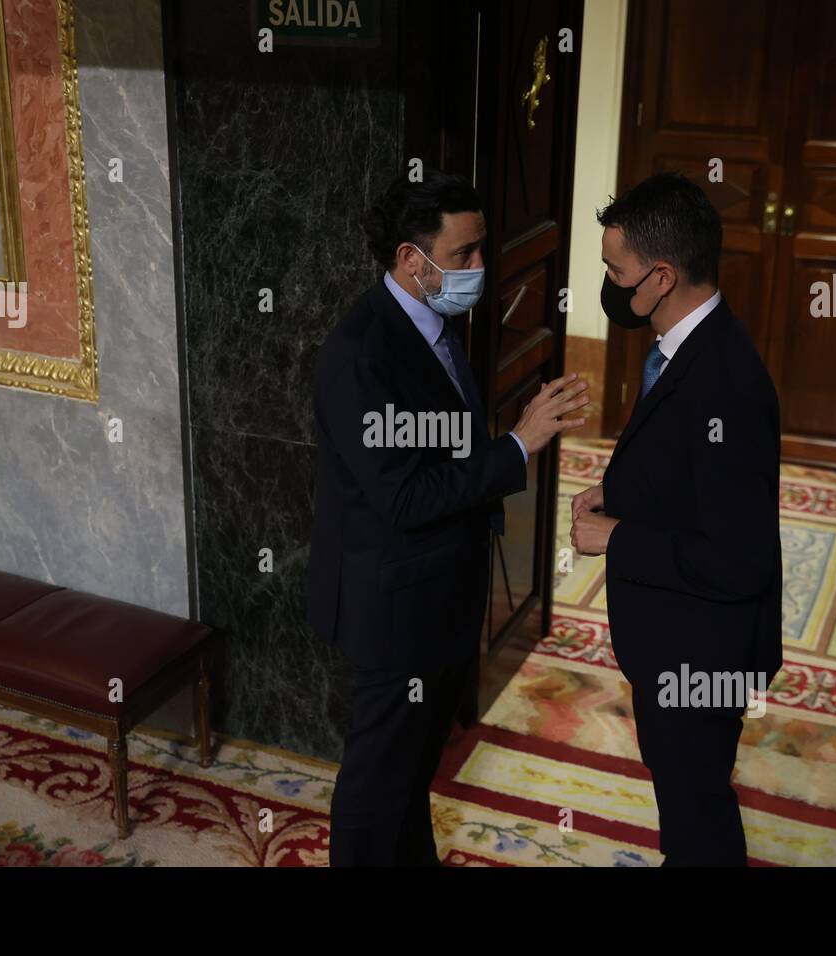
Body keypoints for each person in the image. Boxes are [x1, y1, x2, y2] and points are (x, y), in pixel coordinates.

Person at [308, 169, 590, 865]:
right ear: (411, 259)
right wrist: (517, 444)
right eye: (463, 254)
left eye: (481, 249)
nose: (481, 268)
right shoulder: (361, 355)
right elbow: (403, 497)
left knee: (410, 774)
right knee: (377, 788)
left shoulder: (433, 324)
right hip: (394, 608)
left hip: (438, 597)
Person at [570, 171, 782, 866]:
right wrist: (617, 498)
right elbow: (686, 476)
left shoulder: (727, 384)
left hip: (701, 655)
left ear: (660, 277)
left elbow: (738, 561)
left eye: (615, 269)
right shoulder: (687, 345)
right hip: (674, 644)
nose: (608, 281)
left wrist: (618, 537)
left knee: (698, 818)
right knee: (686, 806)